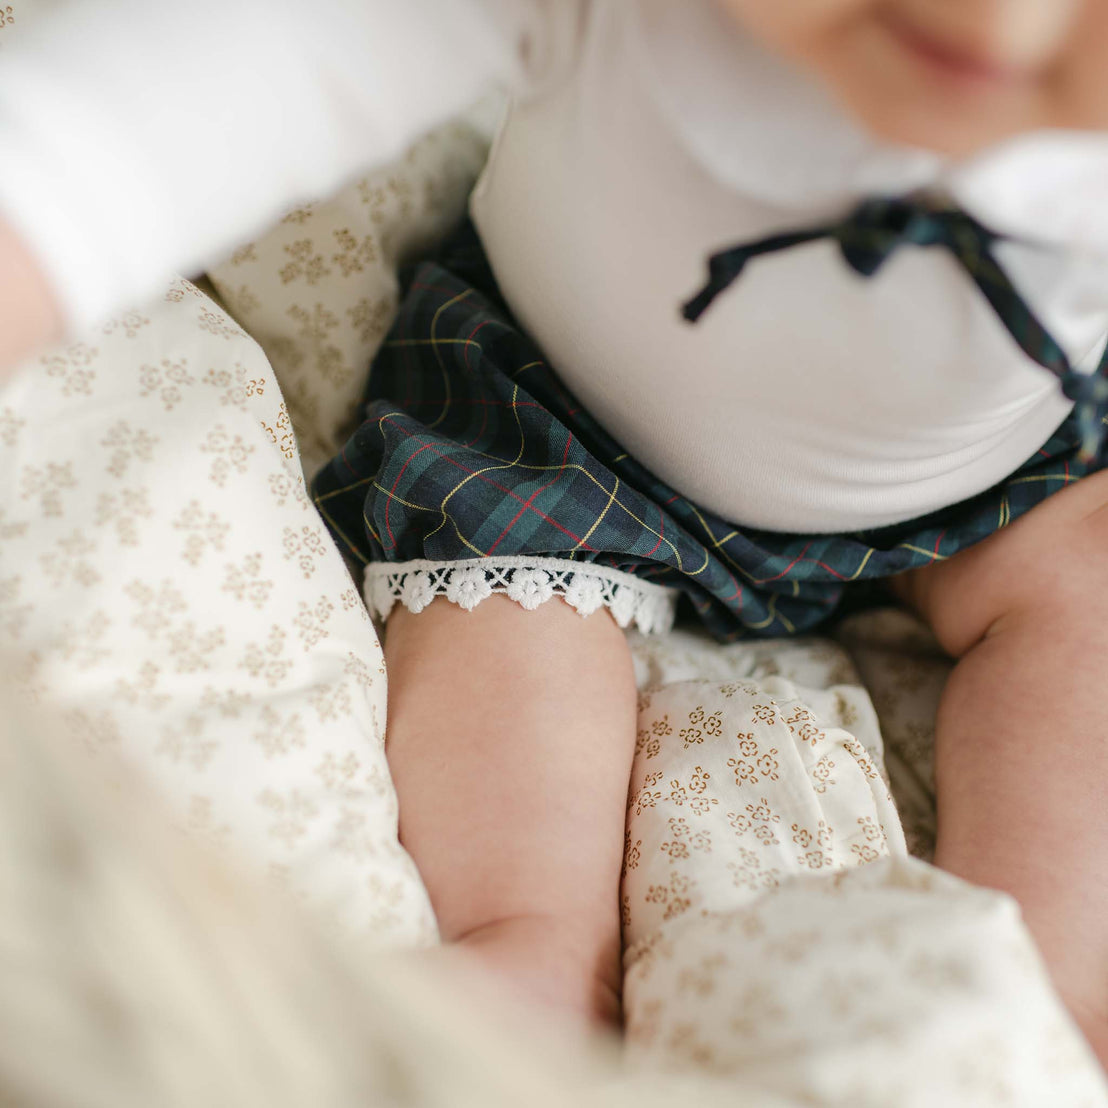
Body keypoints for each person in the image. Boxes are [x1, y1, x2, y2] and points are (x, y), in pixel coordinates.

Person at [1, 0, 1106, 1062]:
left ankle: (1049, 1006)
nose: (994, 21)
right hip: (559, 432)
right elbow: (169, 105)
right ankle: (530, 947)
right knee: (497, 638)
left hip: (999, 487)